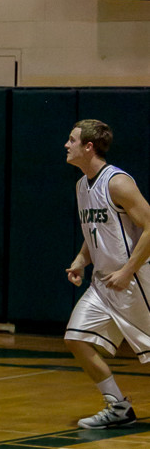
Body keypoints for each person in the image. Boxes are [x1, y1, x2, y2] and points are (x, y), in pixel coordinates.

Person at [64, 119, 150, 429]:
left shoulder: (117, 182)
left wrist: (128, 271)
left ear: (88, 146)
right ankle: (118, 406)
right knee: (76, 338)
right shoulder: (81, 185)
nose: (66, 145)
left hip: (135, 280)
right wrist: (80, 260)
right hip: (103, 282)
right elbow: (96, 233)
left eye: (72, 140)